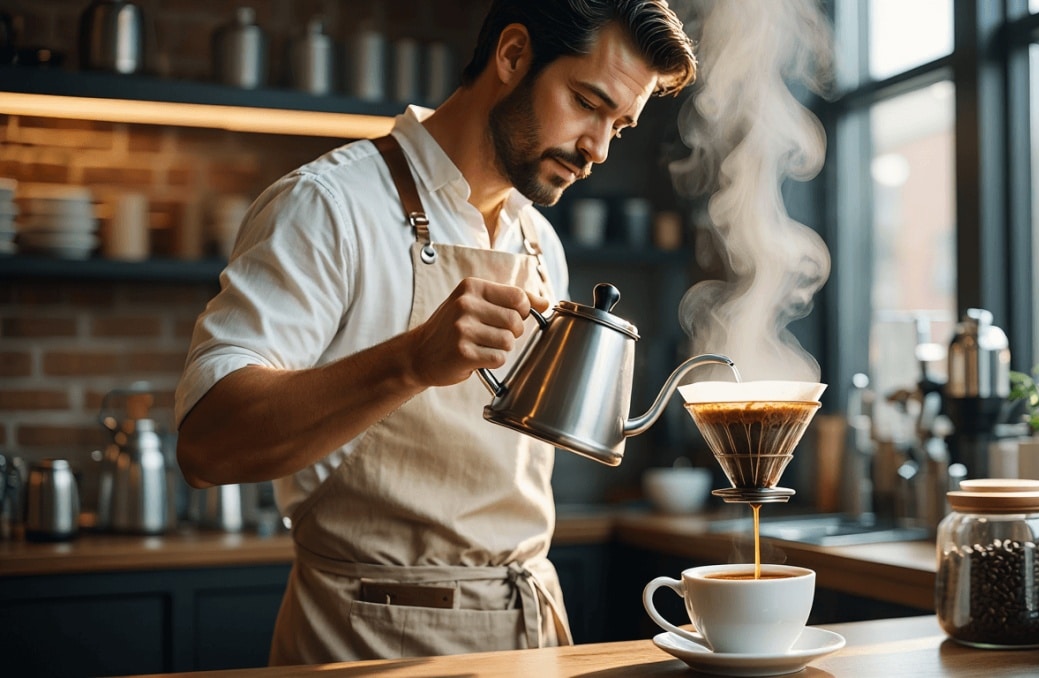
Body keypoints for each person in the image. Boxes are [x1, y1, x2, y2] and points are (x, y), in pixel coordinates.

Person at [173, 0, 697, 666]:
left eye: (618, 128)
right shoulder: (329, 206)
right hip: (369, 640)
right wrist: (410, 363)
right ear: (513, 56)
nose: (596, 150)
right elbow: (206, 443)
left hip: (531, 631)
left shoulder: (539, 241)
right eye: (588, 103)